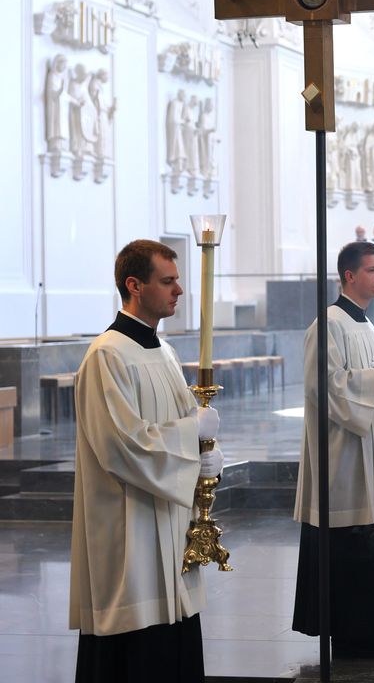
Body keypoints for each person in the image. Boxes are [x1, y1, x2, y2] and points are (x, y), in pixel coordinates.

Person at [71, 239, 223, 683]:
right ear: (134, 285)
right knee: (137, 648)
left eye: (178, 280)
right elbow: (121, 445)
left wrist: (207, 457)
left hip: (170, 522)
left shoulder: (164, 351)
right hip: (129, 526)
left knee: (173, 638)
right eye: (168, 280)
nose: (178, 290)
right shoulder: (107, 354)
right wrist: (190, 435)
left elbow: (184, 427)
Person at [292, 241, 374, 658]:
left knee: (373, 541)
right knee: (351, 545)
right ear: (349, 276)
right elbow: (323, 387)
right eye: (373, 270)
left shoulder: (365, 324)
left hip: (371, 450)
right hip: (343, 459)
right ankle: (352, 632)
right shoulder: (328, 325)